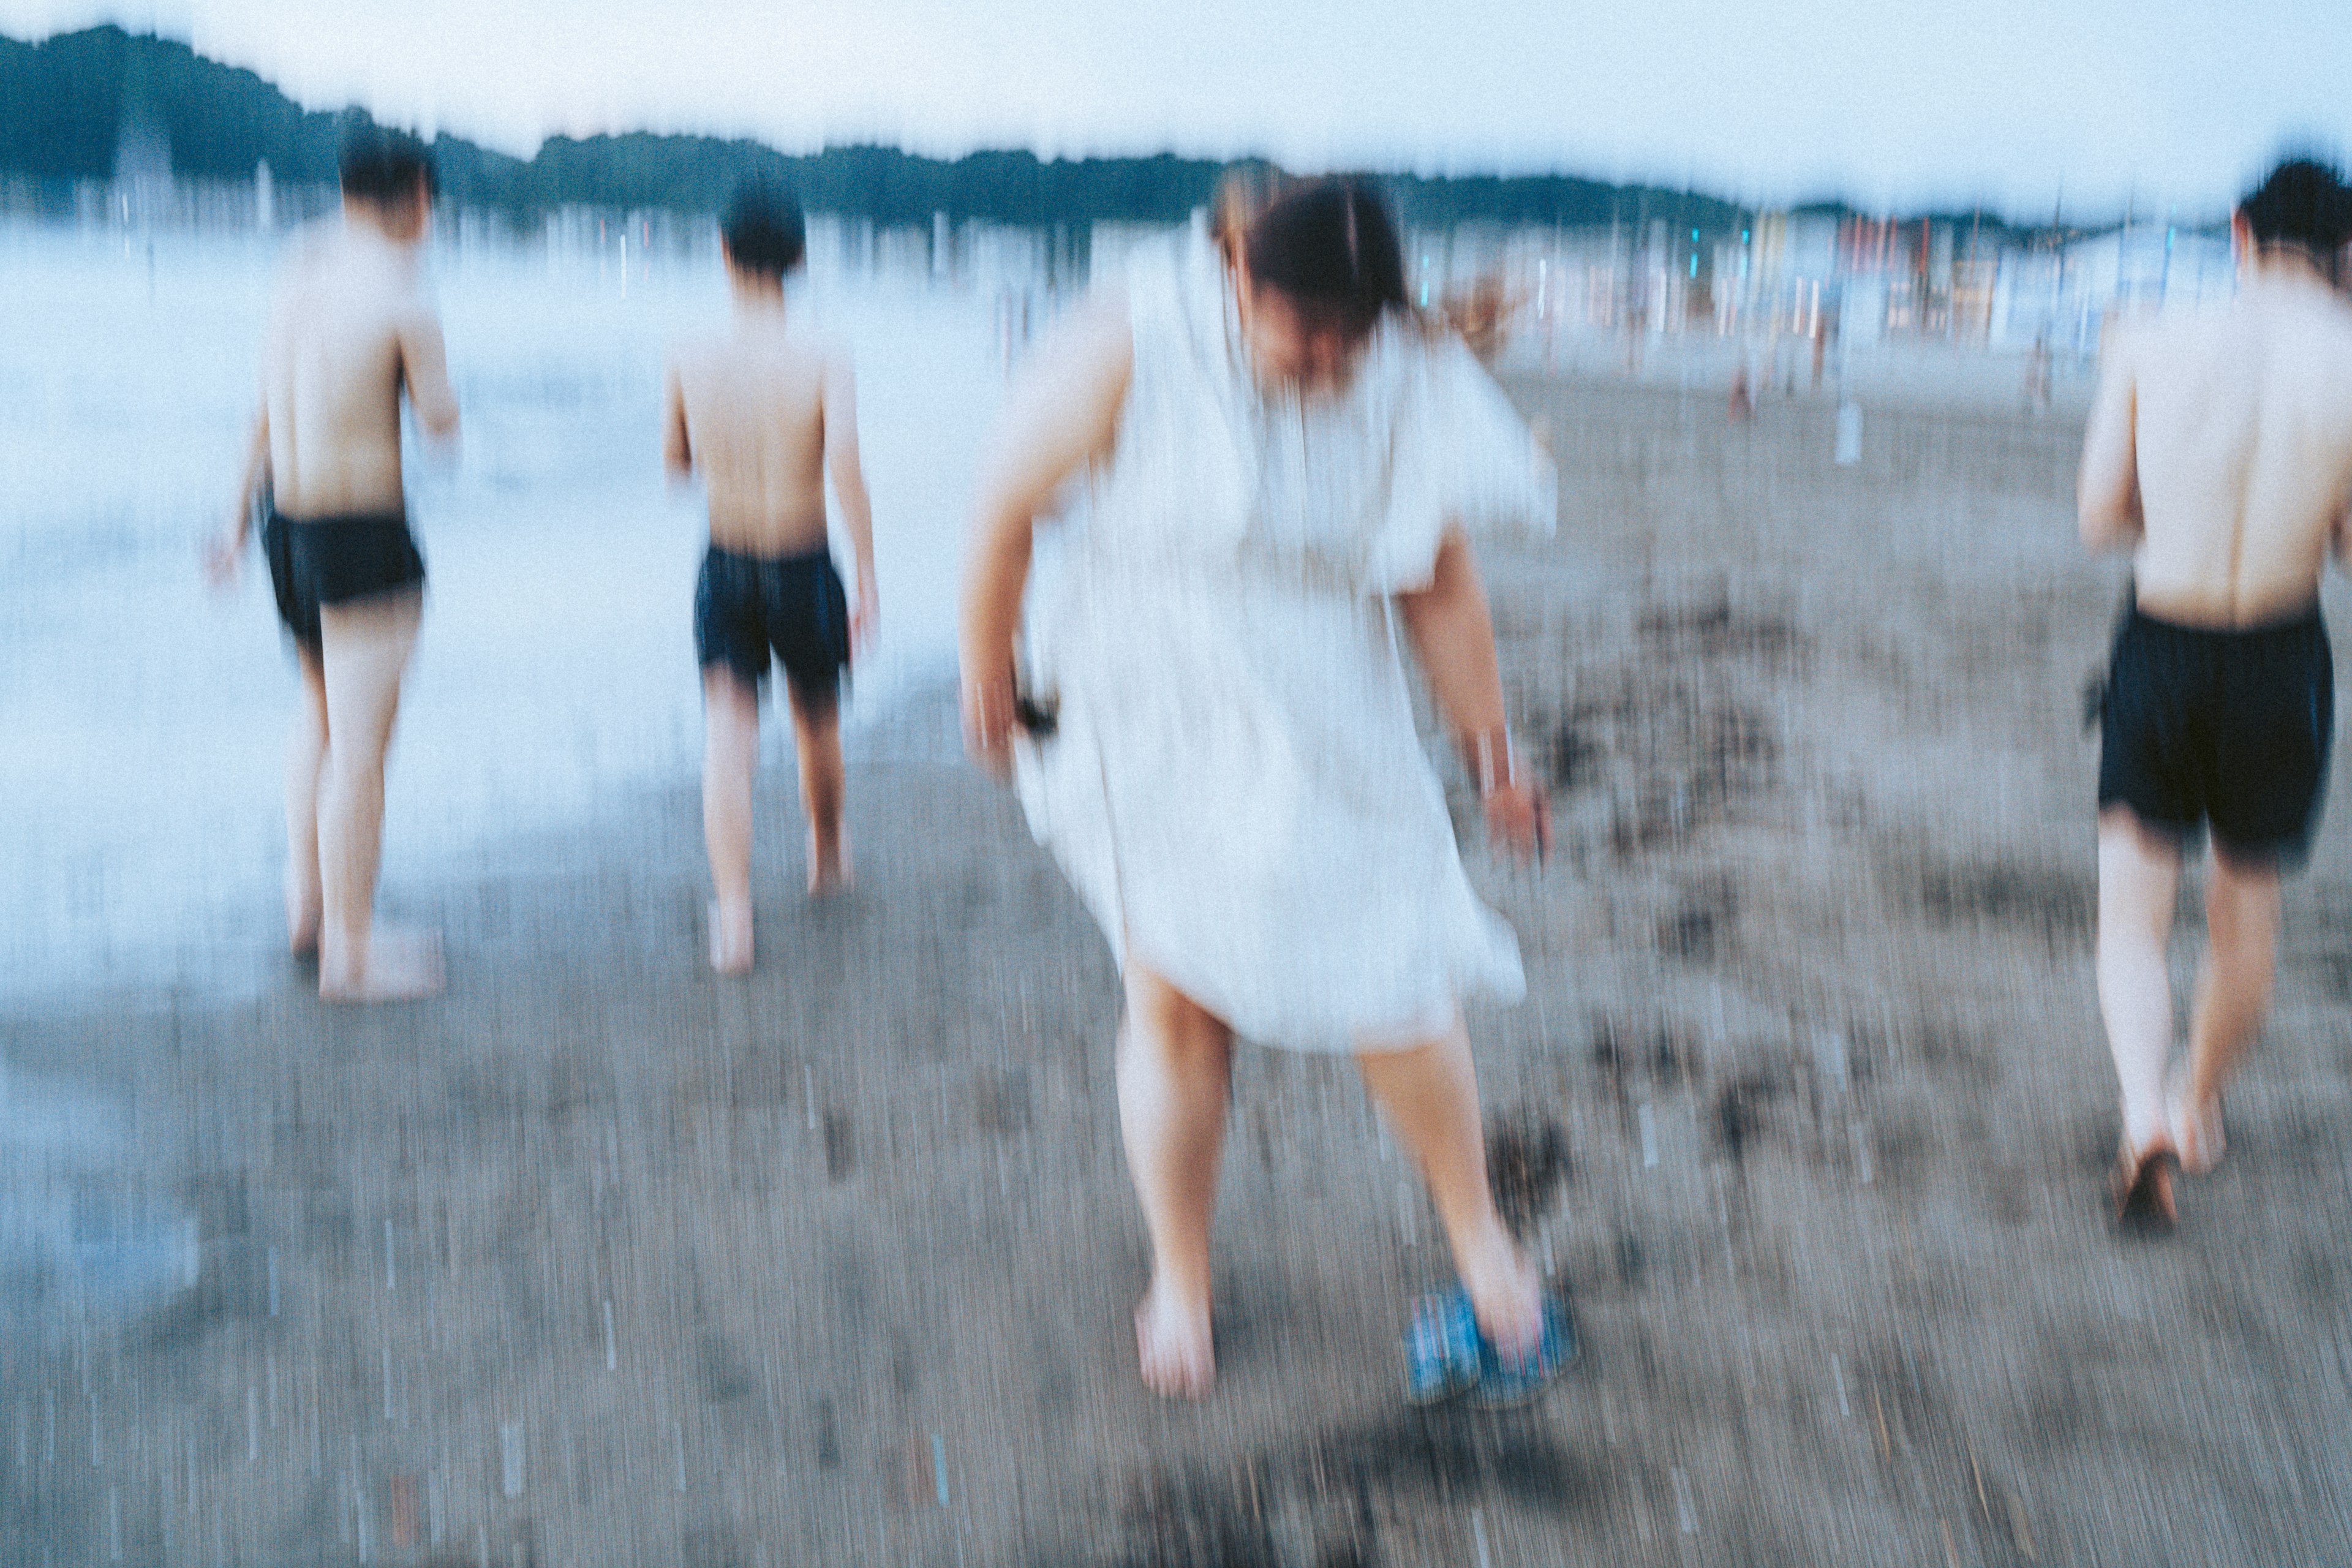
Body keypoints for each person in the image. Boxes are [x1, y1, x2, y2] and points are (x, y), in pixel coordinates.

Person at [960, 177, 1563, 1399]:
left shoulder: (1395, 364)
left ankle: (1483, 1244)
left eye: (1354, 333)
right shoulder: (1126, 340)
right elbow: (1004, 506)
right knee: (1177, 995)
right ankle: (1180, 1271)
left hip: (1329, 703)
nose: (1333, 360)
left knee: (1398, 972)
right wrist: (986, 666)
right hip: (1153, 696)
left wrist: (1493, 753)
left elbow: (1437, 579)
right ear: (1240, 282)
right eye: (1308, 333)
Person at [2080, 157, 2352, 1227]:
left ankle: (2141, 1109)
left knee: (2132, 920)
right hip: (2280, 659)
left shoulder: (2150, 336)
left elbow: (2100, 519)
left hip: (2164, 646)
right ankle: (2197, 1110)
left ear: (2239, 231)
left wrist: (2178, 510)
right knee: (2244, 930)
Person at [207, 124, 458, 1002]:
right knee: (361, 750)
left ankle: (308, 906)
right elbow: (441, 427)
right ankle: (351, 957)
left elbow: (264, 409)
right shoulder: (402, 291)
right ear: (418, 200)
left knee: (317, 714)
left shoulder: (297, 269)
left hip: (286, 526)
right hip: (362, 535)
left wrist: (235, 523)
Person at [665, 181, 878, 975]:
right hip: (802, 557)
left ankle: (735, 918)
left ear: (722, 253)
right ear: (799, 257)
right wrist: (868, 570)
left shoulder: (687, 350)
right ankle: (826, 858)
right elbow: (846, 467)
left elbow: (675, 463)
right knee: (816, 720)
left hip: (724, 559)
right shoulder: (825, 352)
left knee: (728, 734)